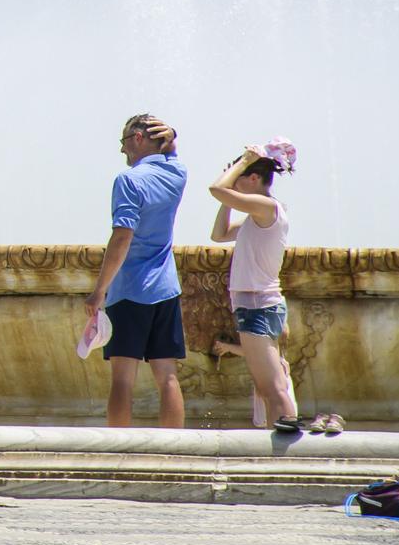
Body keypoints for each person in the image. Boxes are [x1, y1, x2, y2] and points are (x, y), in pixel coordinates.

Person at [84, 113, 189, 428]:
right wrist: (172, 138)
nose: (122, 150)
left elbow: (122, 237)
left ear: (139, 139)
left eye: (125, 141)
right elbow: (171, 156)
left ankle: (119, 450)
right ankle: (175, 449)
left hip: (130, 289)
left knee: (123, 377)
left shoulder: (129, 180)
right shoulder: (177, 174)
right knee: (167, 375)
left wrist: (99, 289)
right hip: (166, 288)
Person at [209, 139, 302, 432]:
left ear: (253, 178)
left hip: (258, 306)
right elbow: (219, 234)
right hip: (258, 305)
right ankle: (282, 438)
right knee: (269, 384)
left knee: (272, 386)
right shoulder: (258, 215)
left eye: (240, 175)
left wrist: (242, 162)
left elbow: (216, 189)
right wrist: (233, 182)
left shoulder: (265, 206)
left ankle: (290, 448)